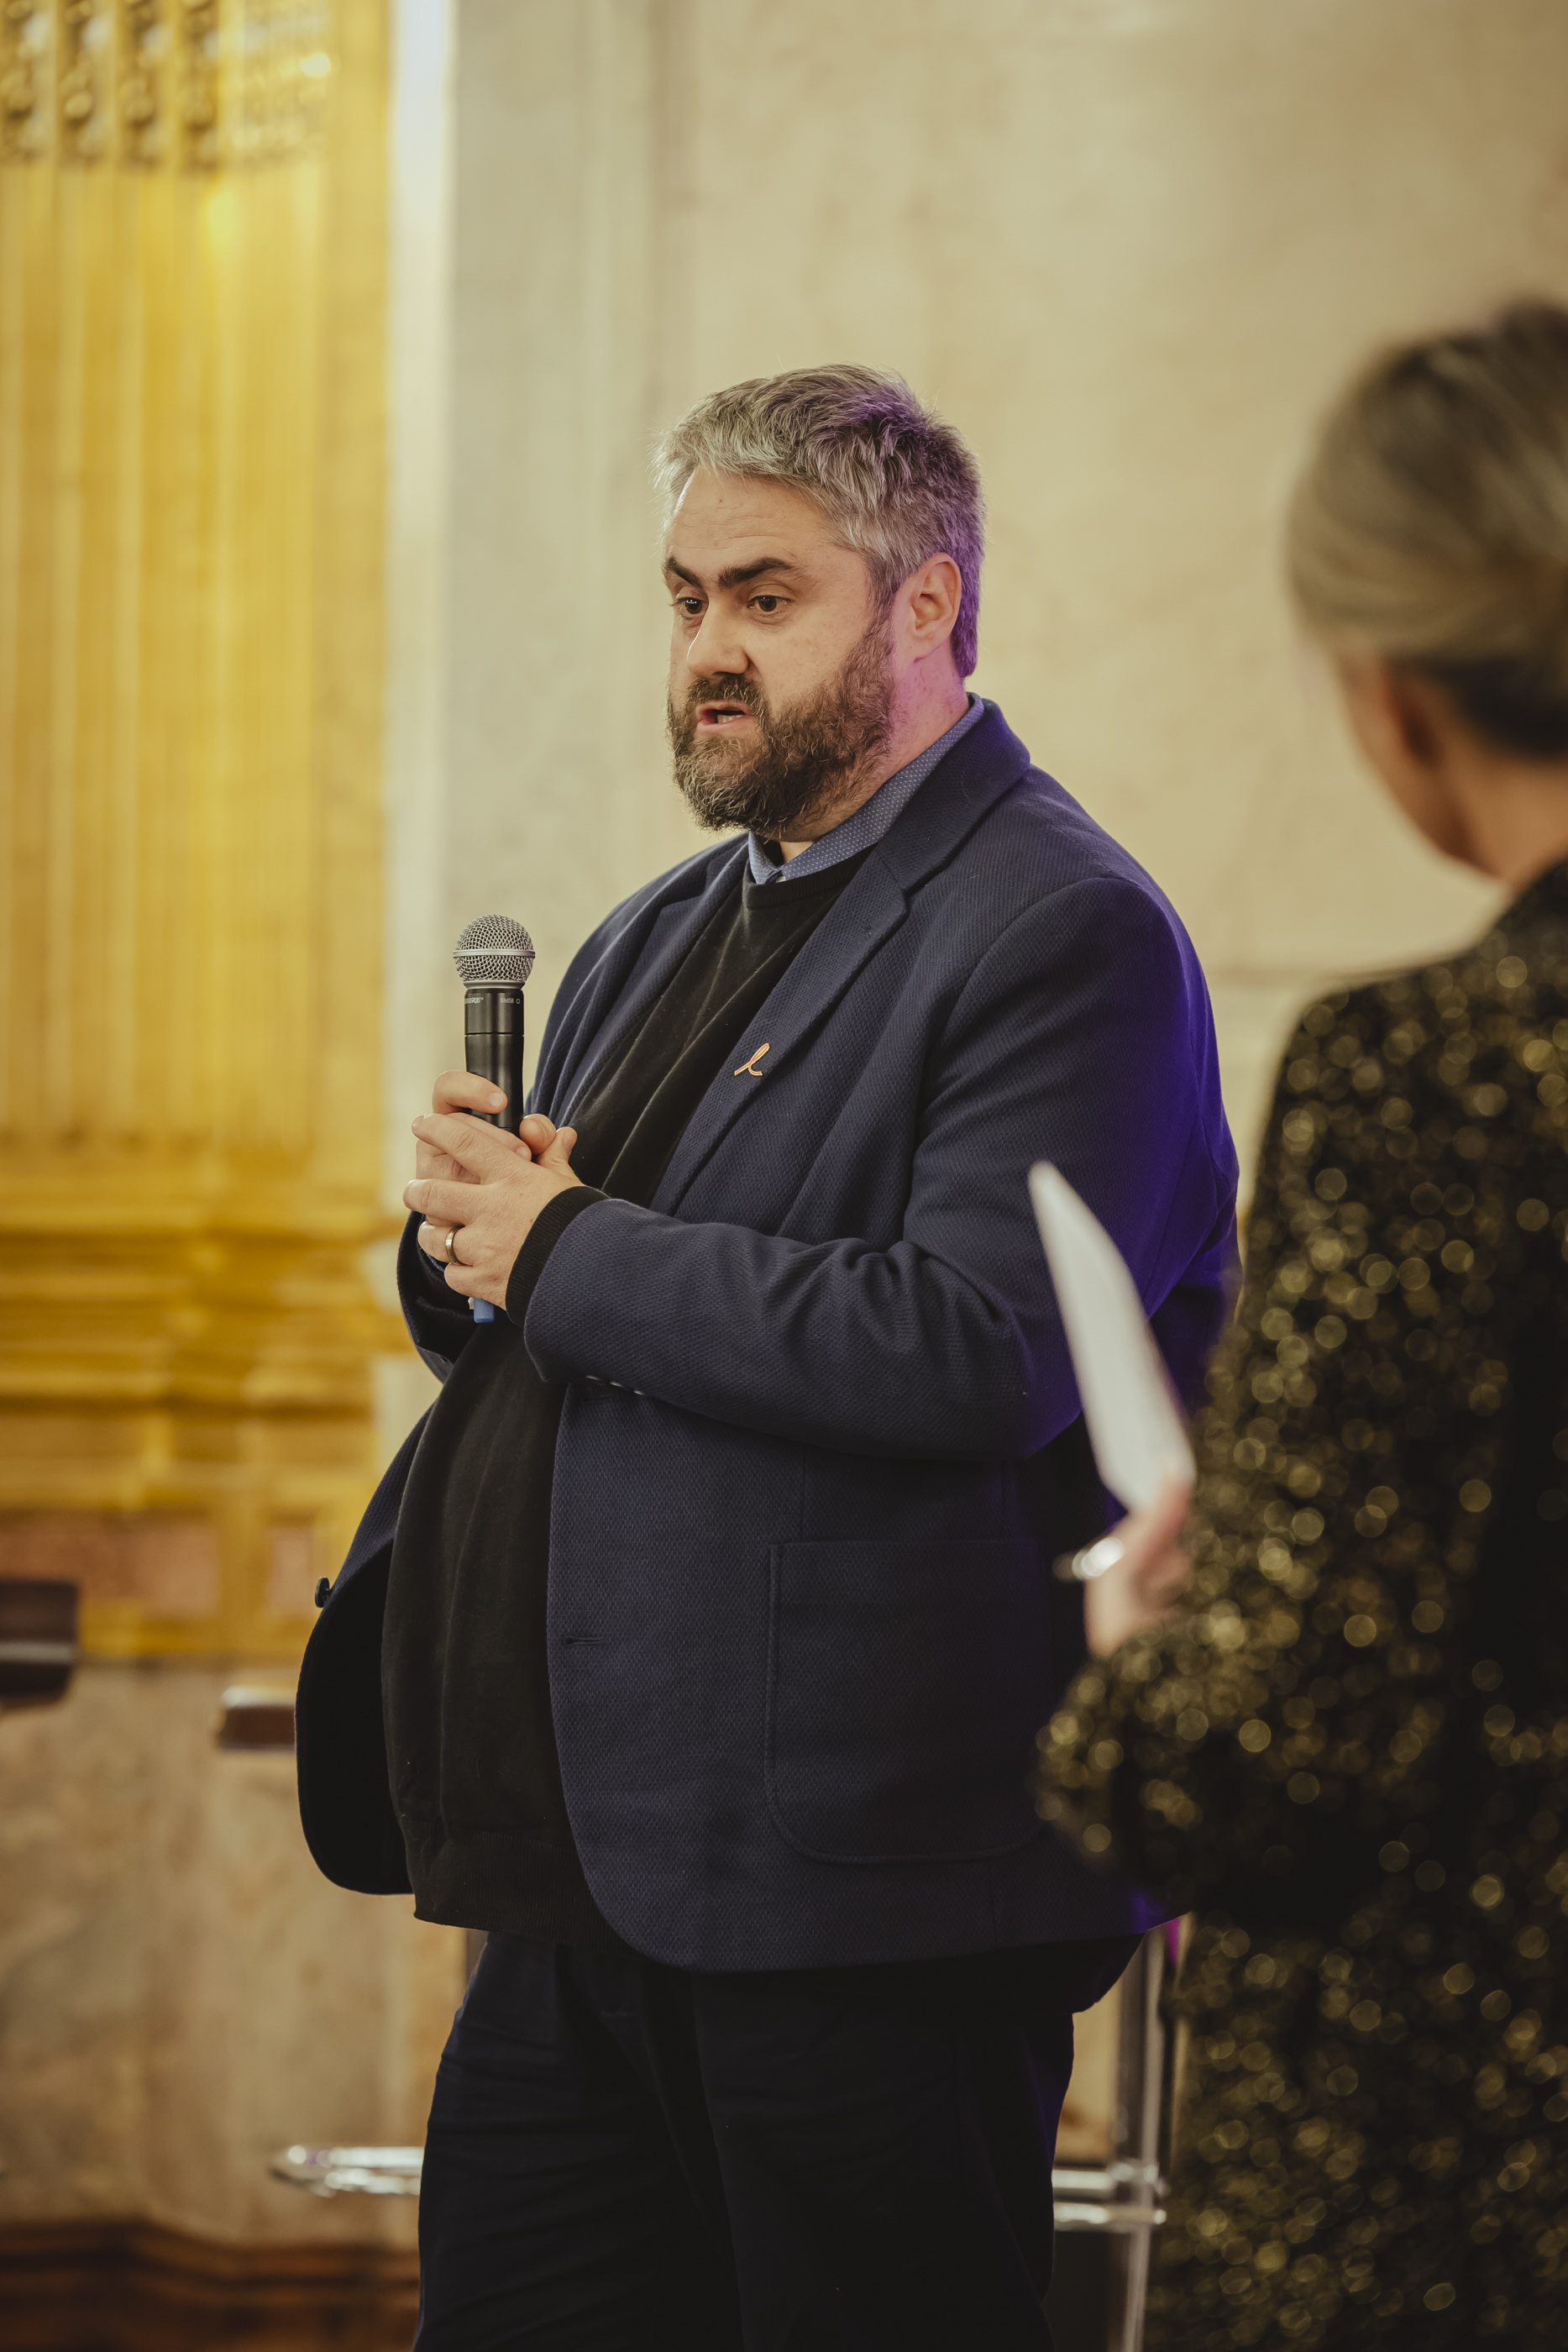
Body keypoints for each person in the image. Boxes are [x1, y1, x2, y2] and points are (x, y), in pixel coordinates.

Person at [296, 365, 1236, 2349]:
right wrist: (468, 1241)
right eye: (683, 597)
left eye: (764, 597)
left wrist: (562, 1247)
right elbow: (558, 1301)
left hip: (859, 1897)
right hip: (584, 1874)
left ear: (925, 605)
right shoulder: (659, 927)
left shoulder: (1062, 928)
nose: (706, 653)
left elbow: (974, 1342)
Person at [1039, 301, 1568, 2351]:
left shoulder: (1437, 1072)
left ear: (1394, 693)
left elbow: (1280, 1740)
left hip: (1455, 2157)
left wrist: (1140, 1667)